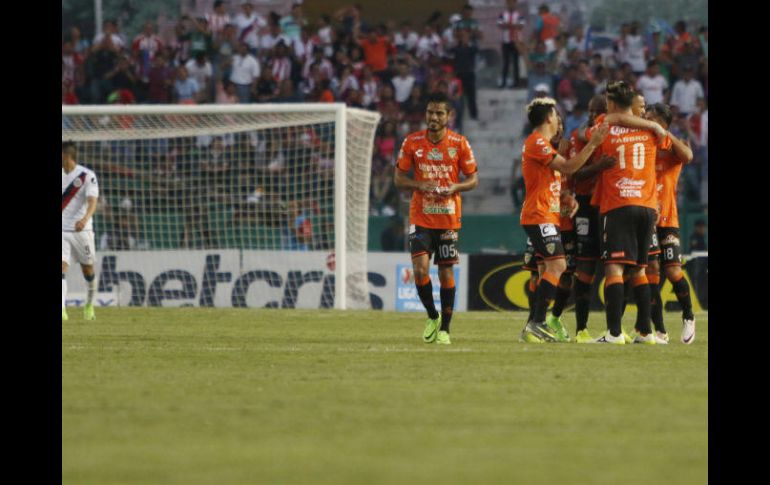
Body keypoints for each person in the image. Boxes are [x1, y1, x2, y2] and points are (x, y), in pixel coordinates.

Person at [517, 97, 610, 343]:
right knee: (557, 266)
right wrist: (593, 144)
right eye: (556, 114)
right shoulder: (537, 142)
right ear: (549, 117)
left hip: (547, 213)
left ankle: (534, 325)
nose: (559, 118)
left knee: (550, 268)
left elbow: (548, 182)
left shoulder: (543, 144)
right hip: (538, 215)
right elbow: (569, 167)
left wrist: (567, 199)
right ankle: (536, 323)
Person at [393, 92, 479, 345]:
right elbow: (399, 179)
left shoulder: (460, 143)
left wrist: (455, 188)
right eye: (431, 112)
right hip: (421, 217)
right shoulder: (412, 142)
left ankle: (446, 330)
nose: (434, 117)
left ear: (449, 116)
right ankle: (433, 315)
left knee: (445, 272)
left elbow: (473, 179)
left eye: (440, 113)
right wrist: (419, 184)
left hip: (449, 219)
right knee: (420, 270)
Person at [587, 81, 669, 344]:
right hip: (646, 207)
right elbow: (667, 141)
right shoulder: (651, 134)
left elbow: (601, 127)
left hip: (619, 204)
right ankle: (645, 332)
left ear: (611, 103)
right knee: (640, 270)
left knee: (614, 268)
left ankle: (613, 333)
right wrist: (654, 124)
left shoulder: (604, 127)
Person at [643, 103, 697, 344]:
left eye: (651, 117)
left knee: (673, 270)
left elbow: (688, 156)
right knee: (651, 269)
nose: (646, 119)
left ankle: (688, 316)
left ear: (662, 123)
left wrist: (666, 134)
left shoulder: (670, 145)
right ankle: (661, 330)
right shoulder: (641, 144)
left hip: (668, 217)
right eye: (646, 116)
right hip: (645, 217)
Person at [62, 141, 99, 322]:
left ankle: (89, 305)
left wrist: (84, 219)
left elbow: (92, 201)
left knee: (88, 270)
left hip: (82, 231)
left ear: (67, 156)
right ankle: (62, 310)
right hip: (62, 230)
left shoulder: (86, 176)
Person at [497, 0, 524, 88]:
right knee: (506, 63)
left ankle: (516, 82)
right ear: (507, 4)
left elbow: (521, 26)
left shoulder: (519, 14)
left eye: (513, 2)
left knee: (516, 63)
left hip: (516, 41)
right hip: (506, 41)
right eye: (509, 3)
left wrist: (508, 25)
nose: (511, 4)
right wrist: (513, 25)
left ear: (515, 4)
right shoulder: (502, 14)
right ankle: (503, 82)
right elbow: (500, 25)